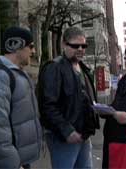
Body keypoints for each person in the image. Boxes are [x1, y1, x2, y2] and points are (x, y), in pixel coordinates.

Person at [0, 26, 42, 168]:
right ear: (16, 45)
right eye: (31, 46)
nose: (33, 51)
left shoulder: (16, 74)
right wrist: (13, 164)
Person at [38, 26, 100, 169]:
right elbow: (47, 105)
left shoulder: (83, 69)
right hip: (64, 137)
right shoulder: (54, 68)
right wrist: (67, 130)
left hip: (83, 135)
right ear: (64, 44)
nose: (80, 49)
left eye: (83, 45)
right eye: (75, 45)